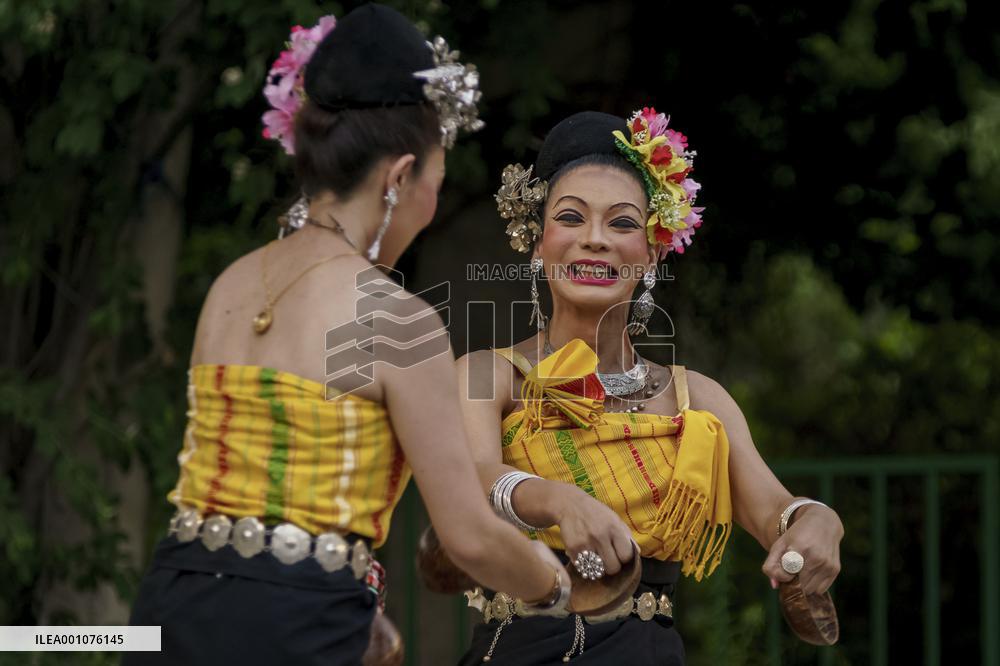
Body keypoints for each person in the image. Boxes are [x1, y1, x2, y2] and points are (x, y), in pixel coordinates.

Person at [125, 6, 568, 665]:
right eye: (435, 183)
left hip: (171, 610)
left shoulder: (229, 287)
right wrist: (555, 586)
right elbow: (469, 537)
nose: (431, 203)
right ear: (399, 178)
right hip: (295, 627)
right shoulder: (396, 319)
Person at [457, 110, 845, 664]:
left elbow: (776, 511)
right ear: (538, 243)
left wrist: (818, 519)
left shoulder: (696, 399)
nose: (594, 240)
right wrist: (558, 500)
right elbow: (469, 478)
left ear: (654, 253)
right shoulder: (488, 375)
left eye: (621, 223)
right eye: (570, 218)